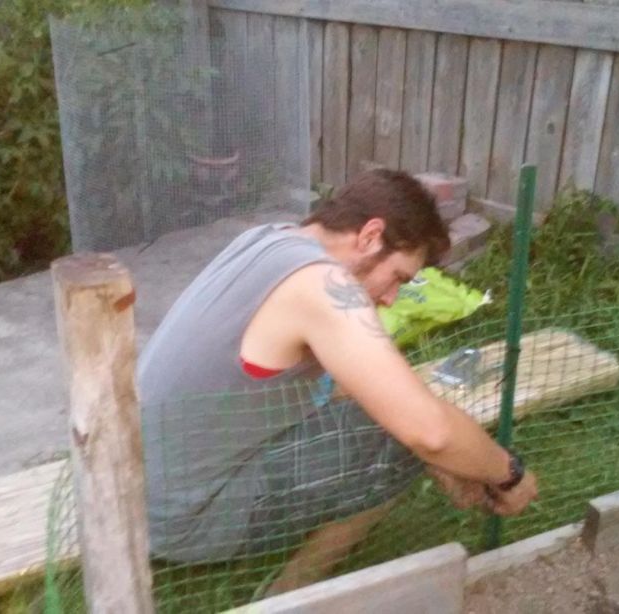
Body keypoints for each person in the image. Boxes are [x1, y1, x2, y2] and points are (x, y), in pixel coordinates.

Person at [138, 168, 538, 593]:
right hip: (182, 519)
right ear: (369, 235)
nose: (391, 299)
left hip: (135, 486)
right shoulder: (322, 287)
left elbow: (359, 388)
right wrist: (507, 473)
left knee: (390, 418)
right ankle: (286, 597)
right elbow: (431, 433)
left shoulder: (272, 240)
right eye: (399, 278)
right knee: (399, 442)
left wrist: (446, 464)